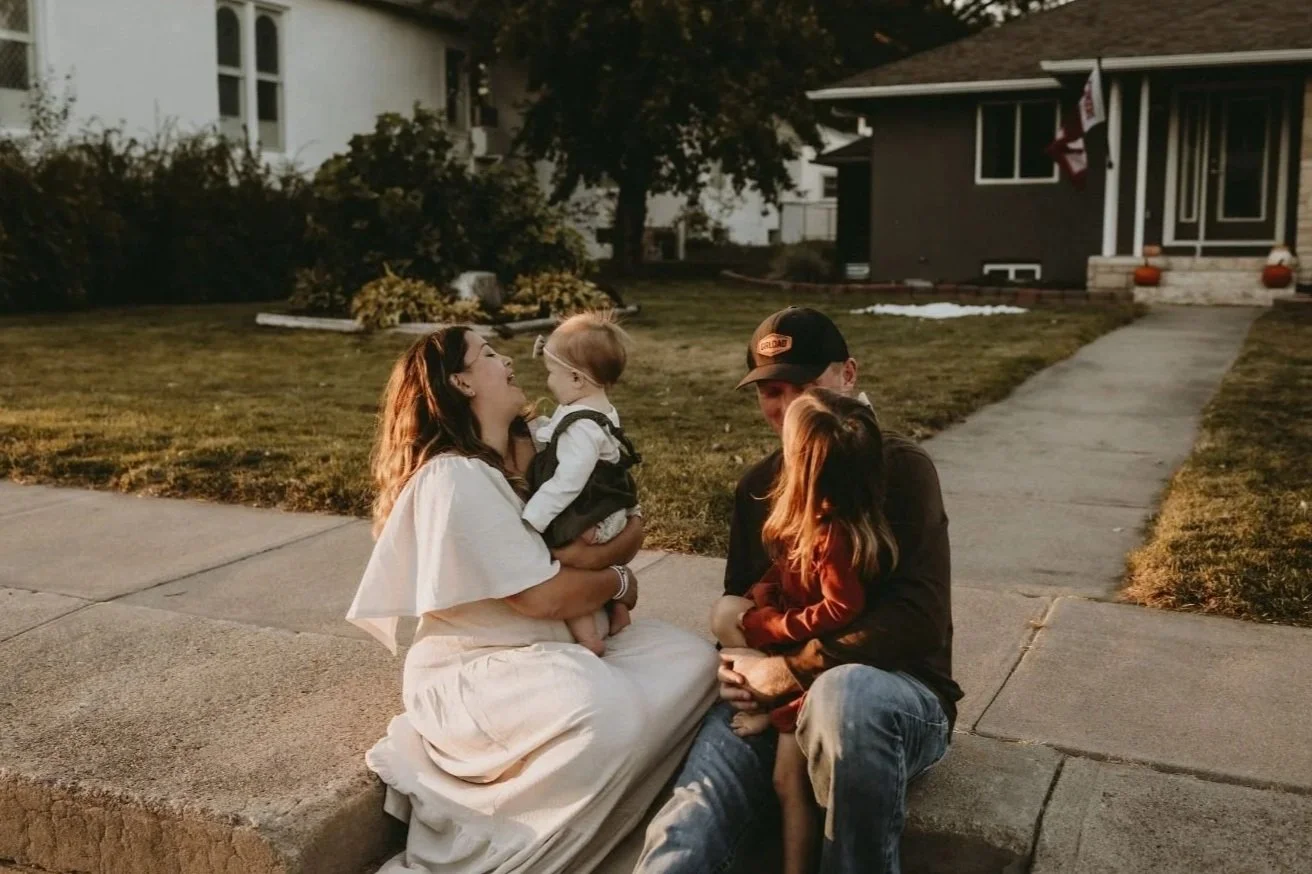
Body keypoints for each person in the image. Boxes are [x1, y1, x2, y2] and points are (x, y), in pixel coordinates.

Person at [346, 327, 717, 874]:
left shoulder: (543, 450)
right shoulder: (453, 476)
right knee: (599, 709)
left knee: (695, 662)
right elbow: (541, 596)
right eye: (489, 353)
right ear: (461, 381)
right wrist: (618, 583)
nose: (509, 360)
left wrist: (608, 565)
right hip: (480, 670)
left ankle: (622, 825)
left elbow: (627, 526)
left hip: (566, 646)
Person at [636, 307, 962, 874]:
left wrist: (790, 670)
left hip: (892, 695)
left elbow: (917, 619)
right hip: (774, 701)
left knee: (846, 697)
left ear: (849, 375)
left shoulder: (900, 468)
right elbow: (747, 598)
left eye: (806, 387)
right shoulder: (758, 486)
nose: (787, 408)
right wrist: (739, 660)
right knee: (689, 817)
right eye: (771, 391)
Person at [710, 388, 897, 874]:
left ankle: (776, 719)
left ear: (805, 468)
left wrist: (774, 623)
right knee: (725, 616)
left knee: (786, 784)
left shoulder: (834, 538)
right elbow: (784, 571)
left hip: (812, 676)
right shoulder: (809, 521)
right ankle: (767, 712)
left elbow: (843, 606)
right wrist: (761, 597)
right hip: (796, 653)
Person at [523, 312, 643, 655]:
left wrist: (536, 515)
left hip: (593, 514)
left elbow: (569, 479)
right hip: (609, 507)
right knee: (587, 563)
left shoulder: (582, 427)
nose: (548, 382)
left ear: (576, 379)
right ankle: (618, 609)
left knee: (563, 560)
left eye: (551, 374)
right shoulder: (595, 410)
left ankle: (589, 636)